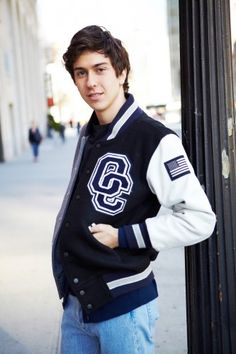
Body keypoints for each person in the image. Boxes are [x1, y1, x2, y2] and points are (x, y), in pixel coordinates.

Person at [52, 25, 216, 354]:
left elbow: (200, 218)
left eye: (100, 69)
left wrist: (123, 236)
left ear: (121, 72)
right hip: (76, 304)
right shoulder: (89, 132)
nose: (91, 82)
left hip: (123, 308)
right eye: (81, 73)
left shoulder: (154, 138)